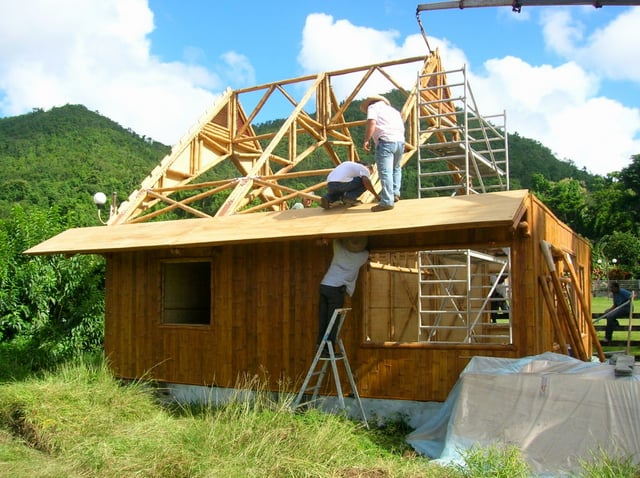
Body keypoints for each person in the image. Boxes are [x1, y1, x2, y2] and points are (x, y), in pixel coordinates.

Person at [317, 237, 369, 357]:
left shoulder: (339, 249)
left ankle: (320, 346)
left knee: (323, 319)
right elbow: (368, 252)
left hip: (325, 285)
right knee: (333, 321)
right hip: (336, 290)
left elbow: (335, 239)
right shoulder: (361, 256)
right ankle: (328, 351)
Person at [361, 94, 405, 212]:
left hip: (386, 141)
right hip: (400, 141)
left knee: (385, 172)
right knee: (396, 168)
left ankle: (387, 201)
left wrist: (366, 139)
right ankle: (395, 193)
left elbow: (372, 122)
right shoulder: (393, 110)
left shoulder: (373, 107)